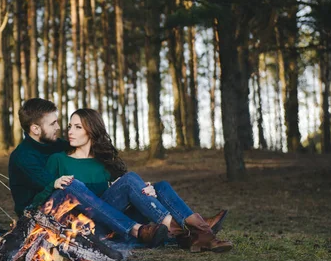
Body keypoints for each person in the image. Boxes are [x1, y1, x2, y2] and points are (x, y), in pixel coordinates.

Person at [44, 108, 233, 253]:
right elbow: (48, 196)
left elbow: (124, 193)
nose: (70, 131)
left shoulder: (103, 163)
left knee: (160, 187)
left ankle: (195, 230)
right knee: (129, 180)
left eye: (78, 127)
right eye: (70, 126)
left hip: (112, 221)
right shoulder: (58, 160)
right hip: (83, 225)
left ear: (92, 131)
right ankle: (192, 231)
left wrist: (148, 191)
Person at [8, 98, 167, 247]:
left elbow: (85, 154)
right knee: (71, 184)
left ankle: (177, 228)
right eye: (53, 123)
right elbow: (55, 189)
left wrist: (136, 187)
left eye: (76, 127)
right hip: (41, 215)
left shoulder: (55, 144)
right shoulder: (23, 158)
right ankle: (136, 230)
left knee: (145, 184)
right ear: (35, 129)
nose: (60, 128)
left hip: (82, 211)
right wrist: (106, 185)